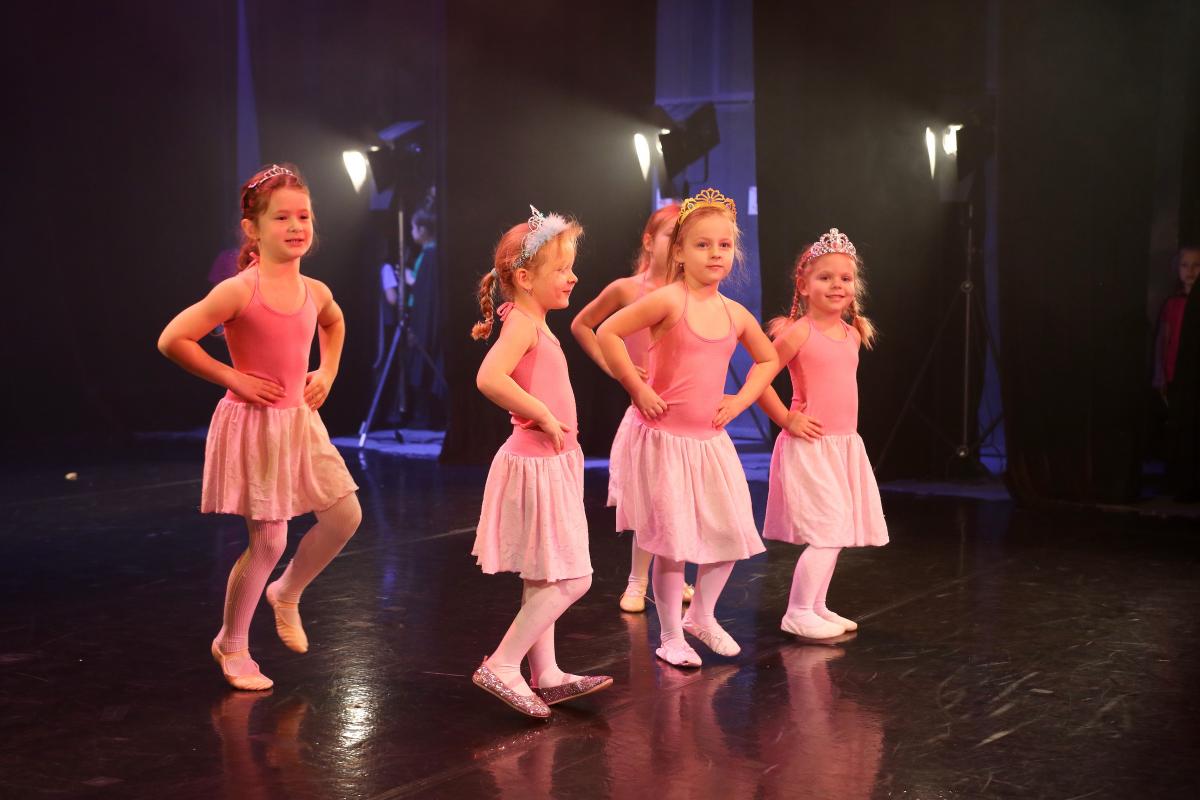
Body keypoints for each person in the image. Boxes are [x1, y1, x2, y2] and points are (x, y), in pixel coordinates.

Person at [157, 164, 361, 690]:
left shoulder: (315, 290)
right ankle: (232, 643)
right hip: (256, 425)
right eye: (281, 218)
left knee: (345, 515)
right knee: (269, 542)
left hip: (299, 422)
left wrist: (328, 371)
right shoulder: (239, 290)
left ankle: (286, 591)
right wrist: (234, 378)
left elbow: (334, 322)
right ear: (253, 228)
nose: (295, 226)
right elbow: (173, 339)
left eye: (304, 217)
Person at [597, 188, 778, 668]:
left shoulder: (734, 313)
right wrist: (636, 387)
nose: (715, 253)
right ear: (678, 251)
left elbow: (768, 359)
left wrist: (739, 401)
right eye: (702, 244)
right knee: (672, 545)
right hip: (665, 441)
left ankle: (701, 615)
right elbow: (607, 331)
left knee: (732, 534)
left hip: (709, 442)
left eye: (724, 245)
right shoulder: (668, 300)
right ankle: (670, 636)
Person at [469, 206, 612, 719]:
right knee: (573, 579)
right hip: (536, 463)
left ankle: (545, 673)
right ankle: (503, 664)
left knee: (544, 574)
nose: (573, 277)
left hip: (552, 463)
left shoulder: (533, 323)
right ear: (525, 278)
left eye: (572, 267)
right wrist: (543, 413)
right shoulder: (522, 325)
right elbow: (490, 378)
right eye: (561, 269)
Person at [757, 228, 888, 639]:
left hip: (843, 446)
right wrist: (787, 418)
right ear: (804, 285)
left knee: (838, 529)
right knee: (828, 530)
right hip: (810, 445)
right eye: (825, 277)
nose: (836, 285)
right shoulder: (799, 332)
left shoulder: (852, 334)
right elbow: (759, 380)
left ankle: (816, 605)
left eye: (845, 278)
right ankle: (797, 611)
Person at [569, 202, 696, 613]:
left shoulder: (693, 293)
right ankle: (637, 582)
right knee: (648, 503)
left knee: (679, 501)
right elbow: (583, 324)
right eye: (670, 236)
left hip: (686, 416)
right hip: (647, 413)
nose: (676, 246)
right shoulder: (628, 290)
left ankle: (674, 577)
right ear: (649, 241)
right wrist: (615, 368)